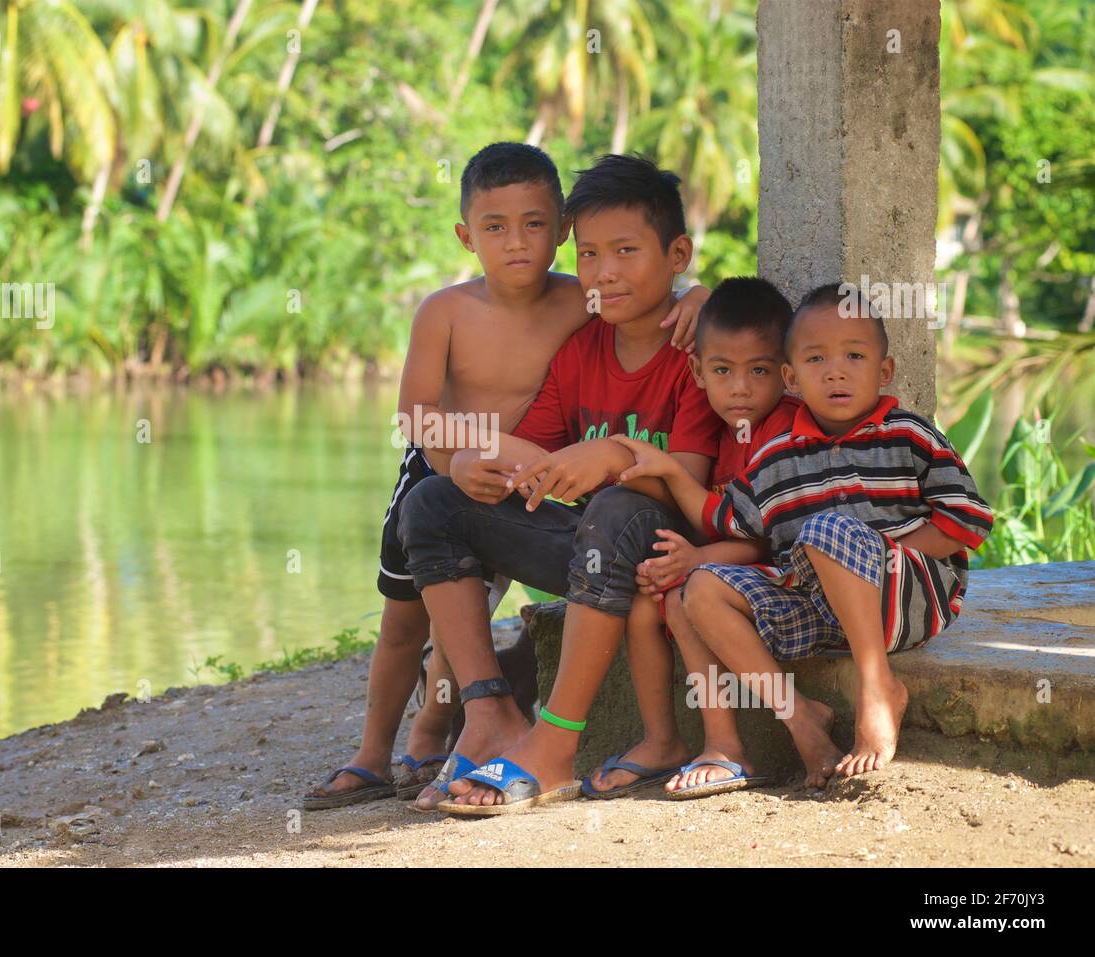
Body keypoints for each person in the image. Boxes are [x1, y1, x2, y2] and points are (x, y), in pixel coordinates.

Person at [304, 144, 708, 809]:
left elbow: (669, 289)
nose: (604, 271)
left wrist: (704, 300)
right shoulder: (490, 320)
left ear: (556, 228)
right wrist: (466, 464)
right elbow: (426, 418)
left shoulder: (634, 319)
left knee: (594, 517)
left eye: (536, 225)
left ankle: (518, 735)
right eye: (592, 254)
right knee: (425, 547)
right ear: (467, 236)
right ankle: (443, 727)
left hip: (619, 516)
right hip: (504, 484)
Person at [625, 284, 993, 797]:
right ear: (792, 377)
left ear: (884, 372)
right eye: (816, 359)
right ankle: (801, 720)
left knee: (828, 528)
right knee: (700, 588)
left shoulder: (910, 437)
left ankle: (876, 684)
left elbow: (968, 520)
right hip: (820, 612)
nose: (835, 371)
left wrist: (884, 553)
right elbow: (727, 519)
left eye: (854, 356)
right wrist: (668, 471)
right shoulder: (777, 456)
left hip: (905, 602)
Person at [581, 277, 801, 798]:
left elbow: (767, 537)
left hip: (788, 574)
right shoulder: (720, 429)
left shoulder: (787, 429)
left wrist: (697, 557)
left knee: (681, 596)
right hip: (728, 566)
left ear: (786, 374)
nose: (740, 388)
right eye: (722, 371)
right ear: (699, 372)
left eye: (760, 371)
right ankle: (662, 739)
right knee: (643, 599)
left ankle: (725, 745)